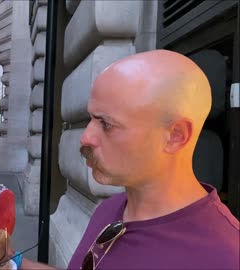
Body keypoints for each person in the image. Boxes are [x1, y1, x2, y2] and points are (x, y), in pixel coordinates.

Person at [21, 50, 240, 269]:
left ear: (175, 136)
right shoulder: (110, 209)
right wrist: (14, 264)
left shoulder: (223, 256)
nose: (86, 136)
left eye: (106, 124)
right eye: (91, 119)